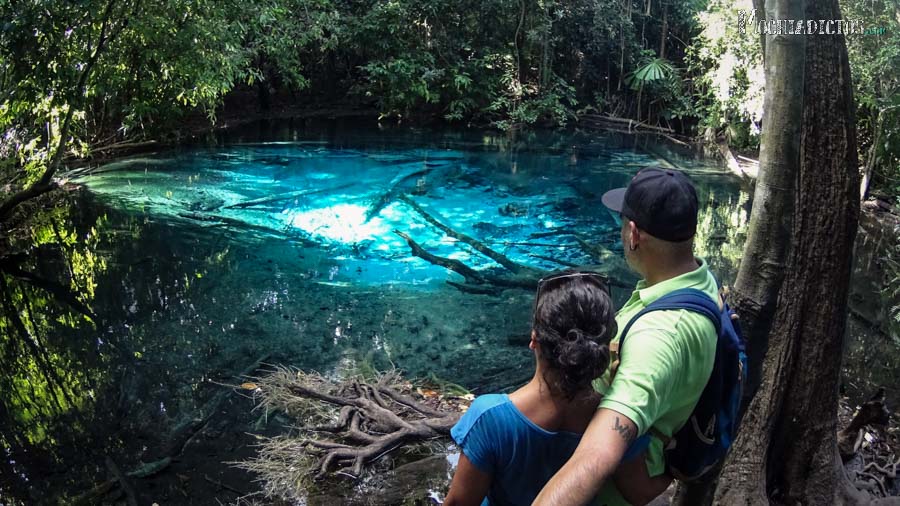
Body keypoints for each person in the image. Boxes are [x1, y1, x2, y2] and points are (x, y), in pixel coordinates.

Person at [533, 167, 721, 506]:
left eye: (623, 223)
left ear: (633, 234)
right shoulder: (699, 282)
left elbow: (597, 455)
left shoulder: (659, 337)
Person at [443, 270, 668, 506]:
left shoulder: (490, 417)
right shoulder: (615, 422)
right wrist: (678, 470)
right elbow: (640, 493)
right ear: (603, 349)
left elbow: (459, 503)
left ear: (534, 340)